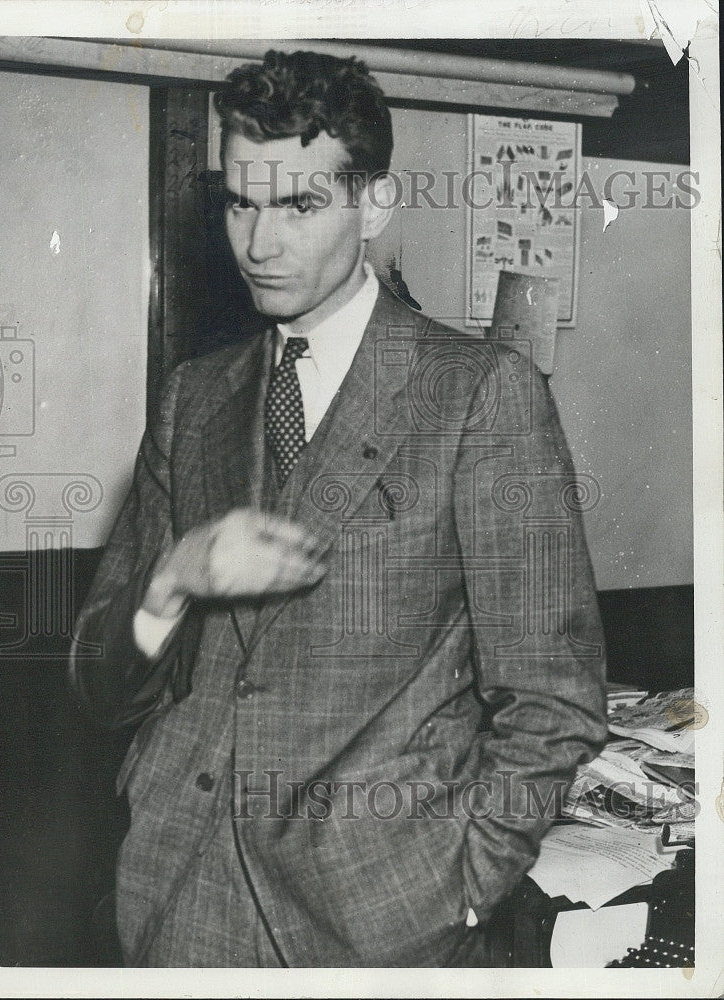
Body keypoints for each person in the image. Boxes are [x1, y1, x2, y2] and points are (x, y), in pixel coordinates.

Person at [70, 49, 607, 968]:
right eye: (240, 202)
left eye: (299, 205)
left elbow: (552, 703)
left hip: (381, 918)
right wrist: (169, 584)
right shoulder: (193, 398)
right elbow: (95, 682)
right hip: (176, 898)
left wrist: (467, 884)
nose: (259, 243)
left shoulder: (479, 394)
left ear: (376, 206)